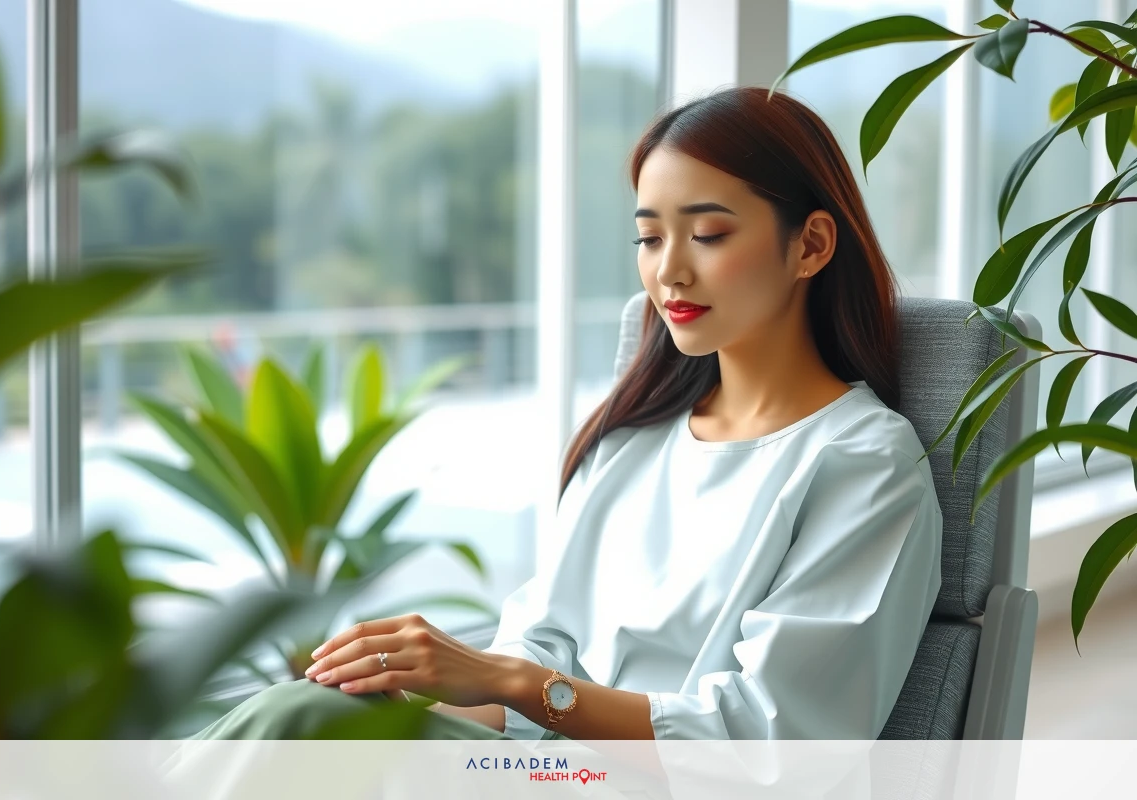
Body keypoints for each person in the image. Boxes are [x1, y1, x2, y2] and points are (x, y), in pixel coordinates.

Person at [188, 84, 942, 742]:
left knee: (296, 729)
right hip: (540, 772)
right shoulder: (632, 441)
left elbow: (771, 741)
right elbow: (530, 697)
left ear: (810, 244)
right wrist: (417, 701)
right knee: (310, 716)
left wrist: (507, 681)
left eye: (709, 234)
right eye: (649, 237)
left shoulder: (862, 462)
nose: (668, 269)